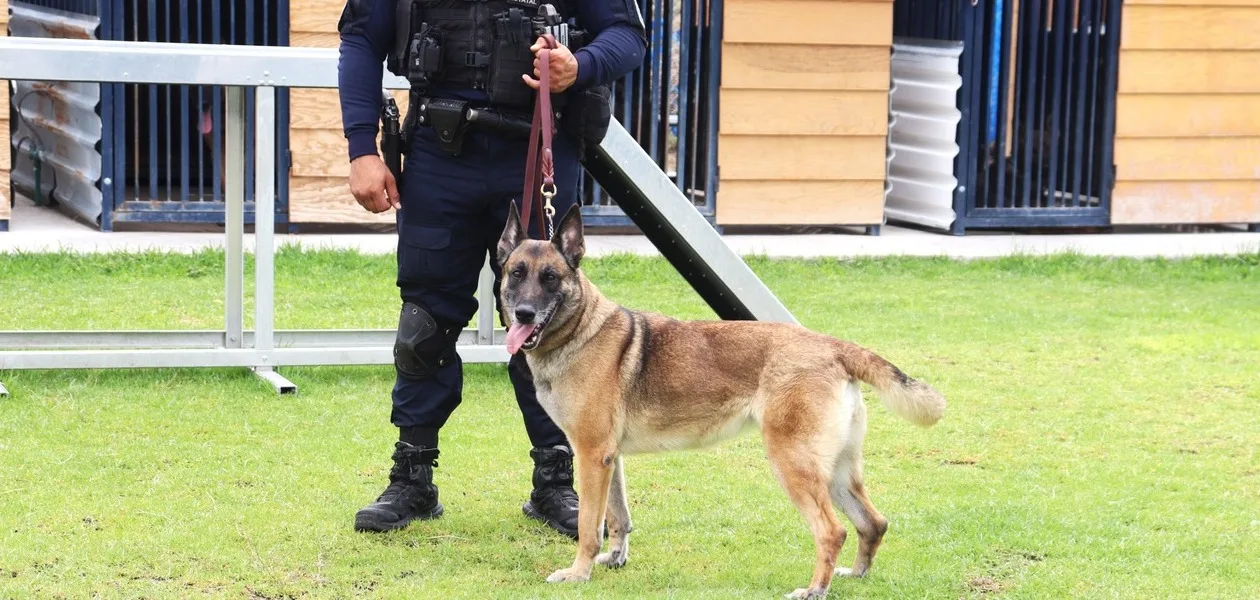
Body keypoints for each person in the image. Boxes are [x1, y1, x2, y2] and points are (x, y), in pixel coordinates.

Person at [334, 0, 646, 538]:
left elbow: (626, 34)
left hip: (539, 143)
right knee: (424, 323)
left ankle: (555, 482)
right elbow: (361, 40)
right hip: (439, 150)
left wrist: (581, 64)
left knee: (548, 325)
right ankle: (412, 479)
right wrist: (362, 145)